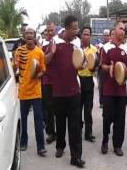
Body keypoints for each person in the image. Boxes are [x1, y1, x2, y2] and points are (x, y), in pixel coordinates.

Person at [45, 15, 85, 168]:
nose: (77, 31)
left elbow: (80, 62)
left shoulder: (76, 42)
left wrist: (83, 64)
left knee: (75, 126)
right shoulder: (55, 41)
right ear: (67, 28)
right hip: (58, 92)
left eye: (77, 28)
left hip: (74, 90)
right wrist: (52, 53)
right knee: (60, 123)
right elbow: (46, 61)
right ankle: (60, 146)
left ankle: (76, 157)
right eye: (74, 28)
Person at [100, 21, 127, 156]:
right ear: (114, 30)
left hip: (121, 91)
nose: (123, 31)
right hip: (108, 90)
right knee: (107, 117)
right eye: (121, 28)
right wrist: (110, 68)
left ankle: (118, 145)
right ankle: (105, 141)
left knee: (120, 119)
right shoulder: (106, 47)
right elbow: (102, 65)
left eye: (124, 29)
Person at [14, 27, 47, 156]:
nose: (29, 35)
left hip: (36, 92)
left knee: (39, 120)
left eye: (31, 33)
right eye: (26, 33)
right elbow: (15, 68)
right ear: (23, 36)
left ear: (34, 36)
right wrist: (14, 65)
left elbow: (43, 70)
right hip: (23, 91)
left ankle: (41, 146)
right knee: (23, 119)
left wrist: (37, 75)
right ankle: (23, 142)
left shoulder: (40, 52)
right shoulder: (19, 51)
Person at [78, 26, 98, 142]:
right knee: (77, 109)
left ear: (91, 36)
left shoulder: (94, 50)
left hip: (89, 81)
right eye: (84, 34)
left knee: (88, 109)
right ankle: (78, 130)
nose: (86, 36)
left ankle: (88, 133)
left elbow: (97, 66)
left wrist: (94, 69)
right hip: (78, 80)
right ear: (81, 35)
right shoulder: (76, 49)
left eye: (88, 34)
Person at [41, 22, 57, 144]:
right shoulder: (42, 44)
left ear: (55, 30)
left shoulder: (59, 42)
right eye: (48, 30)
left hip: (58, 80)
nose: (50, 32)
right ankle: (51, 132)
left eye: (52, 30)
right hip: (46, 80)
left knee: (59, 108)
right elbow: (43, 62)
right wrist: (51, 53)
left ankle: (60, 132)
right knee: (48, 108)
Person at [96, 29, 110, 108]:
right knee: (101, 85)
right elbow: (97, 58)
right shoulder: (100, 46)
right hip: (101, 68)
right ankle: (102, 102)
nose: (106, 37)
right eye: (105, 35)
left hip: (109, 68)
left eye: (107, 35)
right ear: (102, 36)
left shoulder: (111, 45)